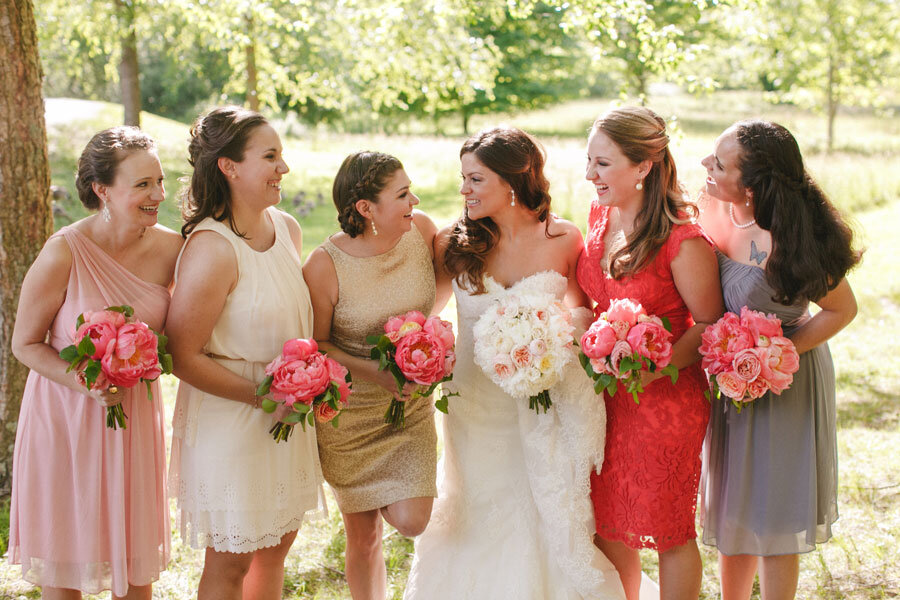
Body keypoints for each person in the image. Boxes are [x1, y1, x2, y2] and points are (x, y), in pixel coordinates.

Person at [404, 126, 629, 600]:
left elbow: (587, 313)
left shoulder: (565, 239)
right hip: (473, 405)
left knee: (542, 501)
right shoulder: (454, 243)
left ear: (512, 181)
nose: (463, 190)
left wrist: (548, 337)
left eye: (475, 180)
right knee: (480, 502)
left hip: (541, 399)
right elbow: (428, 315)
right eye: (463, 179)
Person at [8, 127, 182, 599]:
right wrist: (83, 381)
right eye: (143, 184)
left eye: (161, 182)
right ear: (102, 190)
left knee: (134, 576)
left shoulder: (173, 250)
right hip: (65, 419)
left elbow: (180, 336)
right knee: (65, 577)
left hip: (132, 425)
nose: (158, 195)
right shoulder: (63, 250)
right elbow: (25, 344)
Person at [166, 106, 326, 600]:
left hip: (287, 416)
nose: (284, 168)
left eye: (282, 155)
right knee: (231, 562)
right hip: (234, 421)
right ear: (229, 167)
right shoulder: (212, 248)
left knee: (277, 547)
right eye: (270, 156)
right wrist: (264, 398)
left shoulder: (288, 229)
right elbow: (185, 356)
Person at [698, 120, 860, 600]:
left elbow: (842, 310)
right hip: (731, 382)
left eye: (719, 163)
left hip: (786, 381)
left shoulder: (796, 234)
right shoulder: (711, 207)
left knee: (774, 508)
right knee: (733, 503)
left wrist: (773, 356)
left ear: (750, 186)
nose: (706, 165)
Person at [576, 107, 725, 600]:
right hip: (604, 401)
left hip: (664, 404)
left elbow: (707, 325)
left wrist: (650, 364)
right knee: (610, 526)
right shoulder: (602, 213)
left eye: (601, 164)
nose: (589, 174)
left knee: (667, 530)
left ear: (643, 167)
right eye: (589, 161)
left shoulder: (683, 240)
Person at [302, 151, 439, 600]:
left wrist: (426, 347)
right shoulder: (324, 265)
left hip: (410, 408)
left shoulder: (421, 231)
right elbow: (318, 343)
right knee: (363, 539)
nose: (414, 200)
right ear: (365, 208)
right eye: (401, 194)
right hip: (349, 416)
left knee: (413, 519)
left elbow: (440, 292)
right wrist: (378, 374)